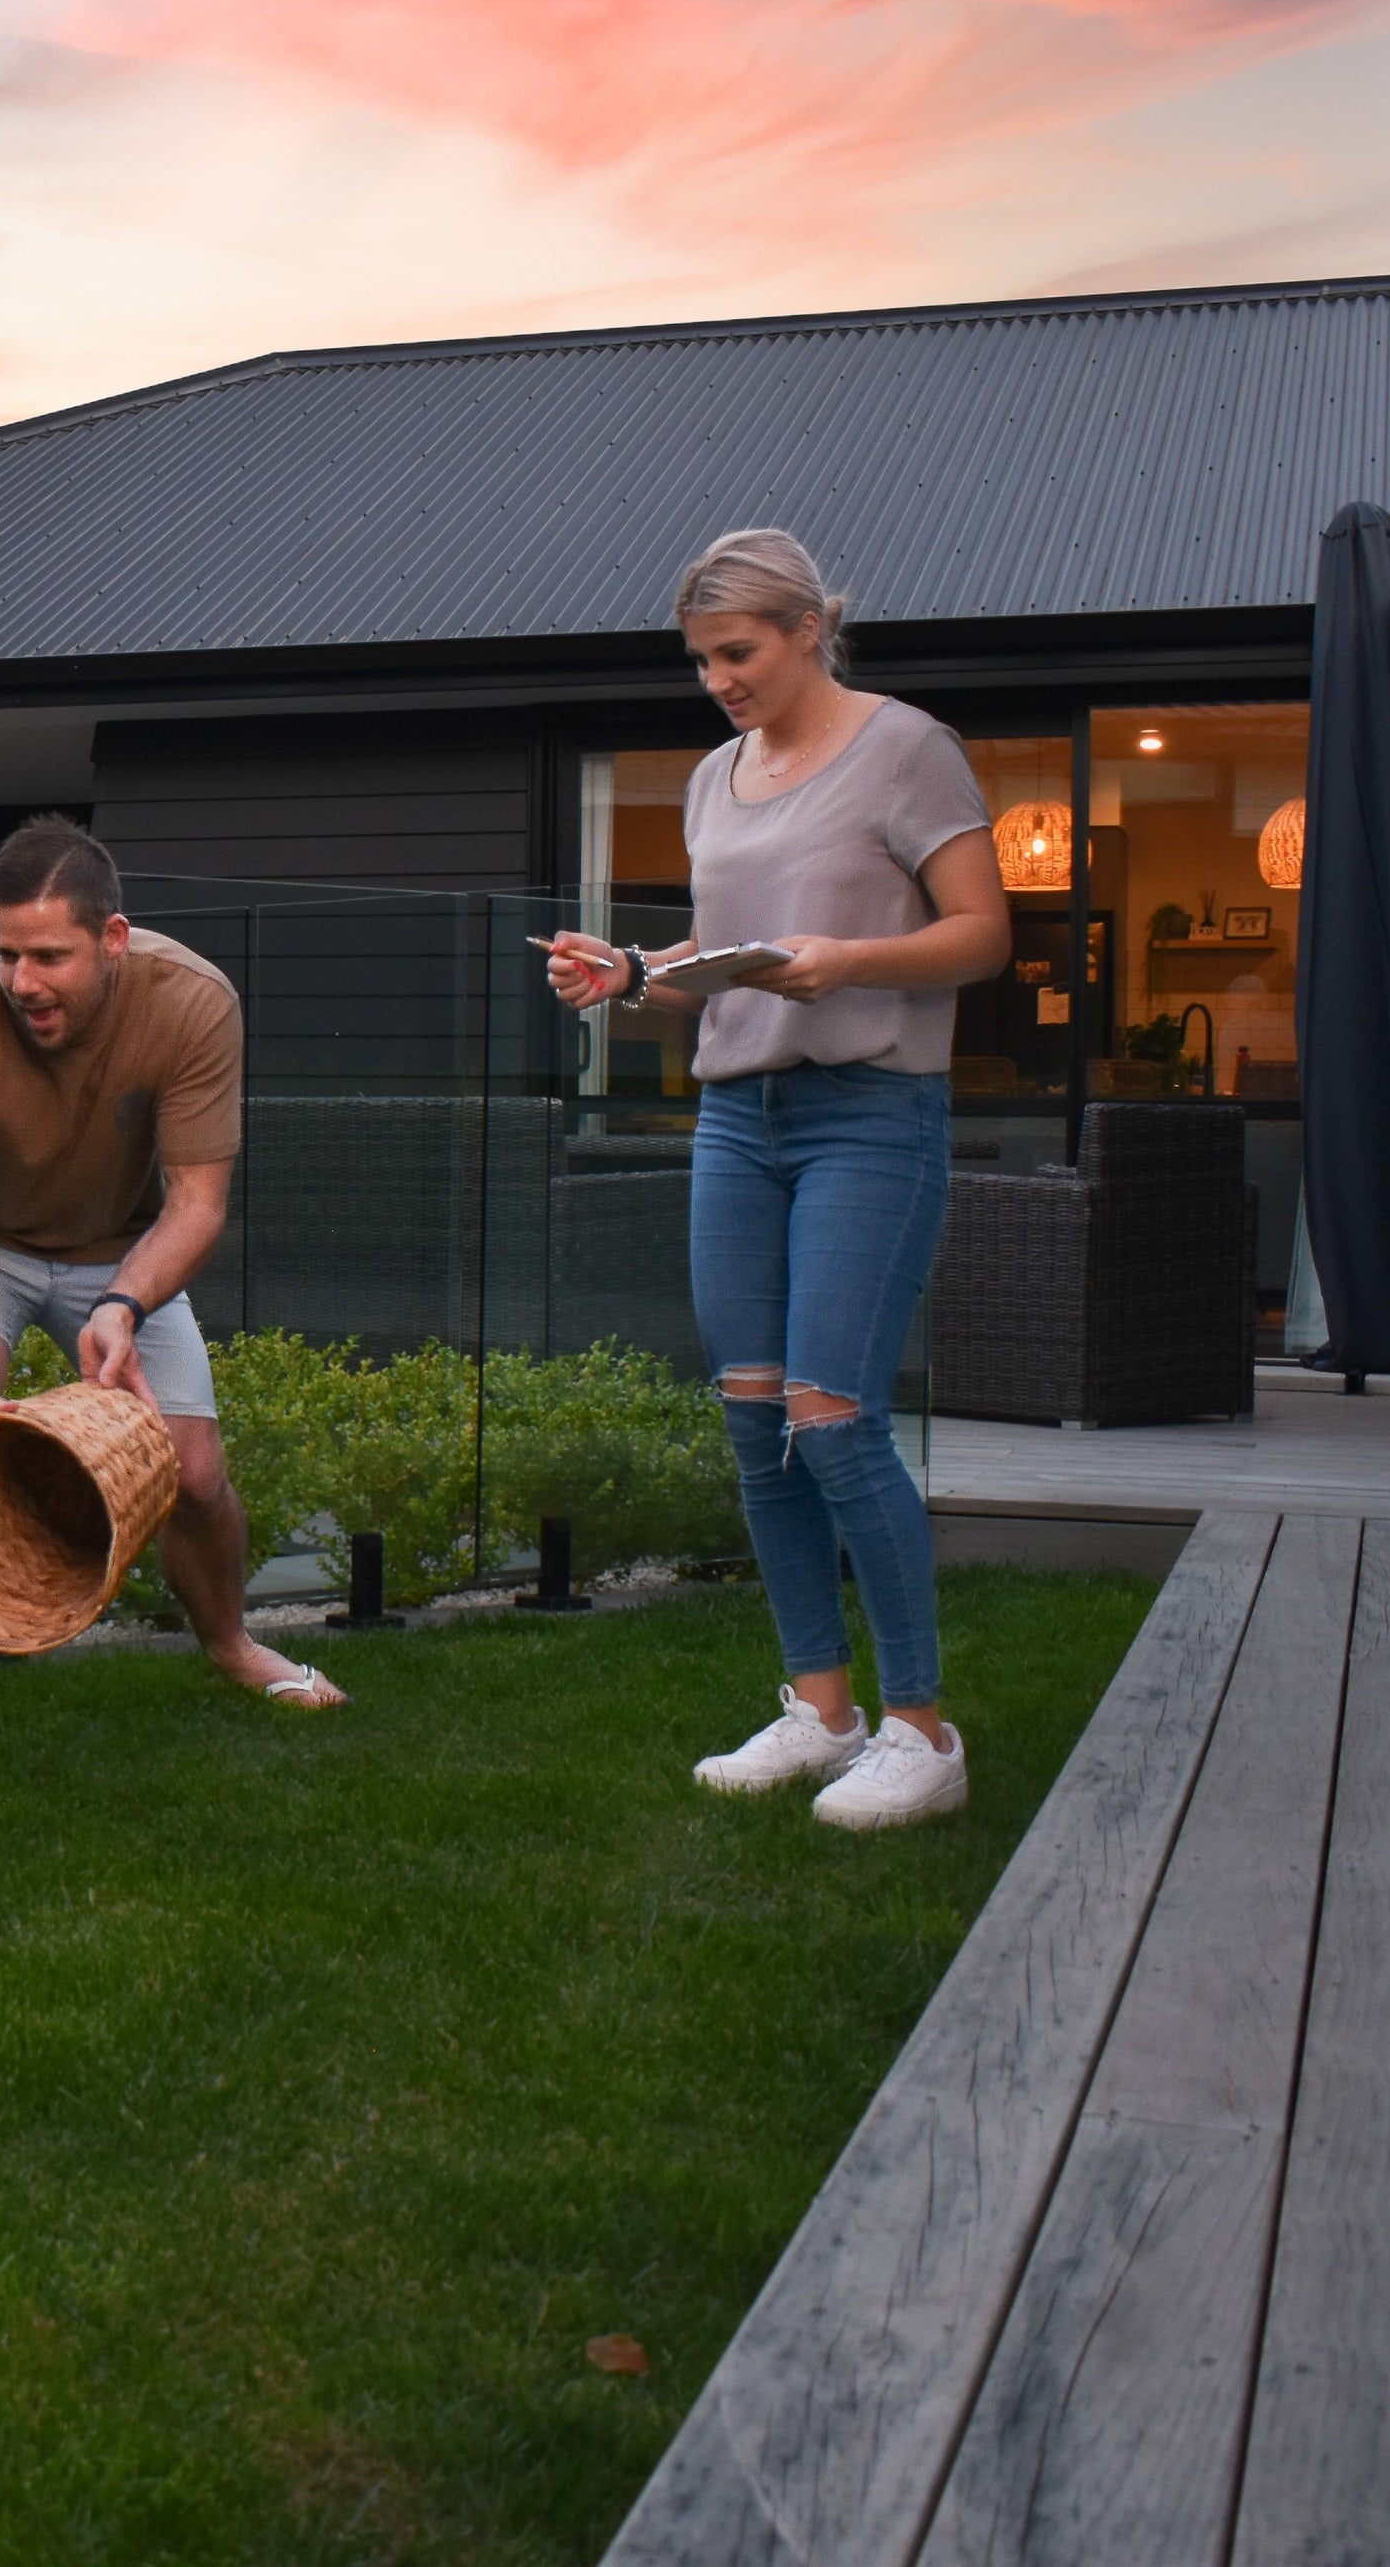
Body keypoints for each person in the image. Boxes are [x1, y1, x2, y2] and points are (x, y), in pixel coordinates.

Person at [541, 529, 1012, 1829]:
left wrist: (846, 959)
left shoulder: (906, 748)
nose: (719, 680)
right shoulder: (712, 777)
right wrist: (635, 975)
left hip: (869, 1113)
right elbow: (733, 947)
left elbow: (982, 932)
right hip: (738, 1118)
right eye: (702, 661)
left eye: (737, 653)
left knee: (834, 1417)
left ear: (808, 627)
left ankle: (922, 1732)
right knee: (757, 1424)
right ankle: (821, 1712)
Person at [0, 814, 343, 1758]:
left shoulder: (192, 1002)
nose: (22, 981)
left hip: (124, 1252)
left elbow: (199, 1202)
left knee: (197, 1476)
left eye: (49, 955)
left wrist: (124, 1303)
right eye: (6, 954)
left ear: (112, 938)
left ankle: (232, 1643)